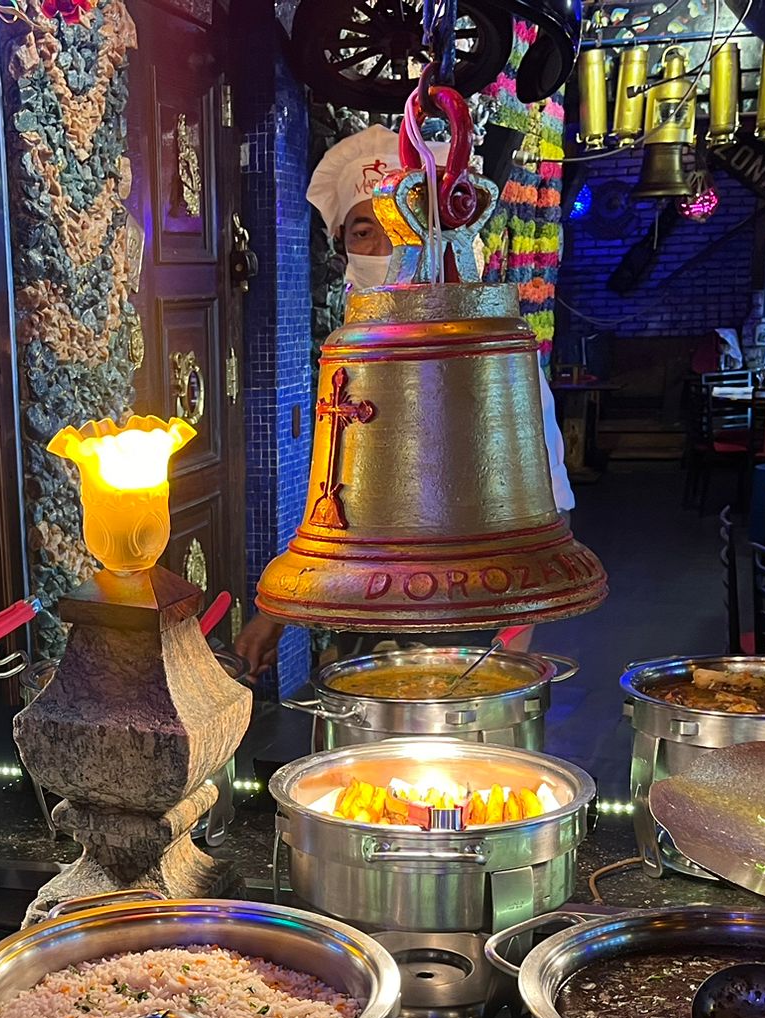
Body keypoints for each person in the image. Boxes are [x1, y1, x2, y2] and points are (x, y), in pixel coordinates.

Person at [234, 124, 575, 679]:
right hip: (369, 621)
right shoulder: (353, 360)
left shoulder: (487, 358)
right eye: (362, 232)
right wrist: (275, 614)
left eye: (398, 231)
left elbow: (547, 508)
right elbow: (334, 506)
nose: (382, 250)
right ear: (341, 245)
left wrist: (511, 655)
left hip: (475, 624)